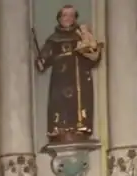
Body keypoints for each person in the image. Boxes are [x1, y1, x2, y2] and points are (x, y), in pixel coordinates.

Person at [35, 5, 102, 144]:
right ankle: (59, 130)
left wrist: (91, 52)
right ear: (60, 18)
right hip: (61, 79)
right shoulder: (53, 39)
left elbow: (93, 55)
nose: (68, 18)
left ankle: (81, 129)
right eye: (65, 15)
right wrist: (42, 61)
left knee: (81, 103)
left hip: (80, 78)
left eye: (71, 15)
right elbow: (45, 57)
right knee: (60, 104)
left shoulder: (81, 35)